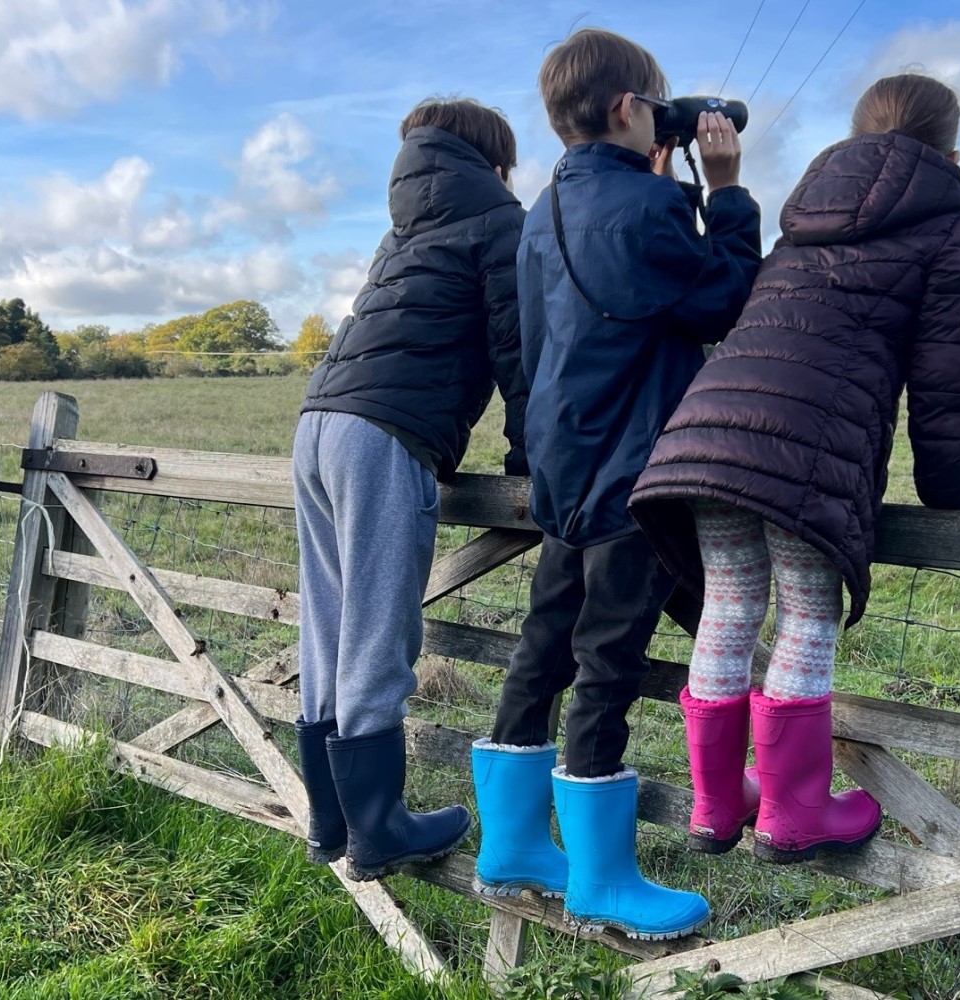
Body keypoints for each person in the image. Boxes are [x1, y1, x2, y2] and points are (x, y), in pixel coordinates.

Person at [629, 73, 960, 865]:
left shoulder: (806, 215)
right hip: (801, 445)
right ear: (952, 147)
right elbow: (948, 377)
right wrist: (952, 491)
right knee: (807, 612)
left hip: (707, 429)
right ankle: (796, 811)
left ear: (856, 137)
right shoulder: (950, 223)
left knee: (729, 605)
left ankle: (718, 801)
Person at [471, 28, 762, 940]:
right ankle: (601, 877)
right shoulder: (650, 210)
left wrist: (664, 176)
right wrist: (724, 191)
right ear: (631, 109)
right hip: (637, 466)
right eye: (659, 102)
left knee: (545, 644)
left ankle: (513, 844)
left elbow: (546, 330)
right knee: (608, 664)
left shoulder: (541, 215)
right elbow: (721, 298)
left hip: (564, 462)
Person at [292, 98, 529, 882]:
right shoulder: (499, 217)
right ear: (494, 158)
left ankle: (331, 818)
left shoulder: (401, 230)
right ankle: (380, 828)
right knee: (377, 629)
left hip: (318, 424)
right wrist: (527, 456)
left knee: (327, 621)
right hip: (381, 433)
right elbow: (515, 348)